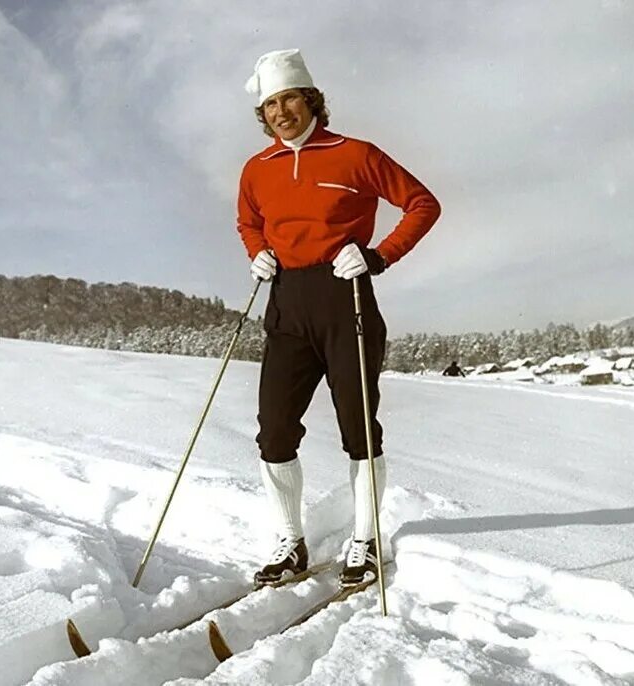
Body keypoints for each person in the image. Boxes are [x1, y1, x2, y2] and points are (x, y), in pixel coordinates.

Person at [237, 49, 441, 587]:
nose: (281, 111)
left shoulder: (356, 154)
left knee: (359, 429)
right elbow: (249, 222)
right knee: (274, 431)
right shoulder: (256, 170)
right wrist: (257, 251)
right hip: (285, 303)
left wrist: (377, 256)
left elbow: (422, 204)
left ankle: (366, 540)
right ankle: (291, 542)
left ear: (311, 99)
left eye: (290, 98)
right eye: (271, 104)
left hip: (344, 297)